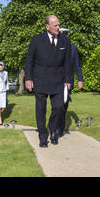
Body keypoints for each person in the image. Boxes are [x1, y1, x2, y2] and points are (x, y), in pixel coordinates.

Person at [25, 15, 72, 148]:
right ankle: (43, 136)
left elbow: (68, 62)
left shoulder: (65, 41)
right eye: (55, 25)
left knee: (58, 107)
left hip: (58, 80)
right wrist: (28, 78)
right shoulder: (37, 40)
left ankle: (53, 131)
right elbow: (29, 60)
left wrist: (67, 80)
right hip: (40, 79)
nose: (58, 28)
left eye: (58, 24)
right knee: (40, 109)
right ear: (47, 26)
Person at [57, 29, 84, 136]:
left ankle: (60, 128)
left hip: (68, 81)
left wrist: (80, 79)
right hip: (56, 80)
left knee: (64, 104)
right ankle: (56, 126)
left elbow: (77, 65)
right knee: (57, 105)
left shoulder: (73, 48)